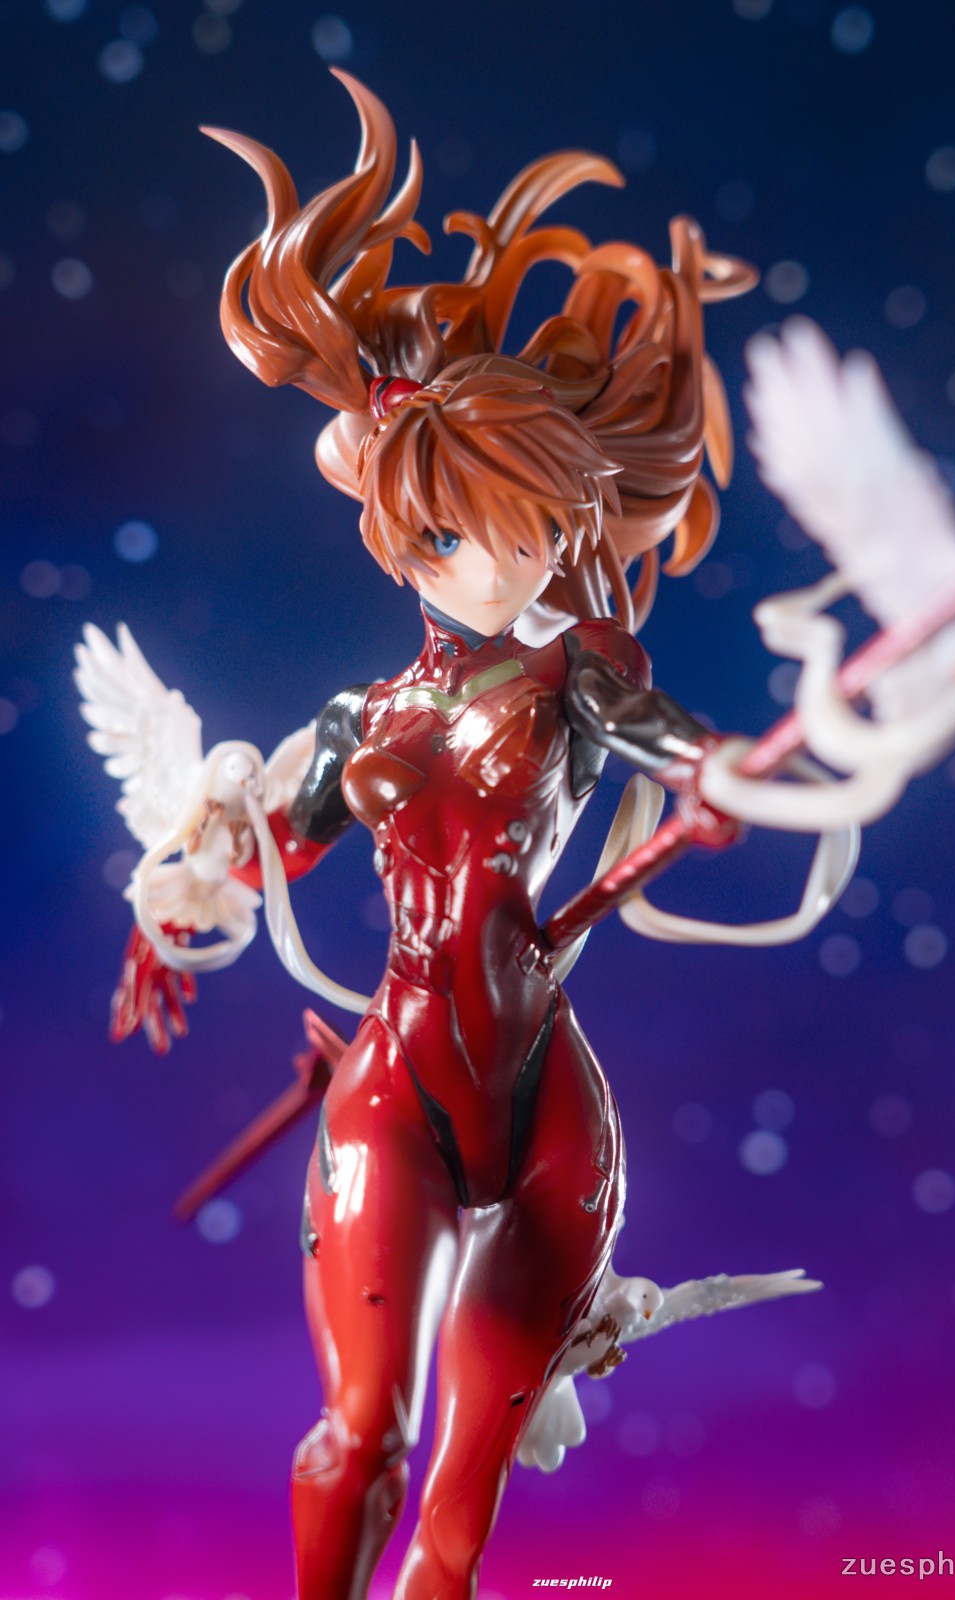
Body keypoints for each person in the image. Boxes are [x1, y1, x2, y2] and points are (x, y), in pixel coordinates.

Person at [110, 69, 754, 1600]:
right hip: (395, 1091)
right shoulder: (360, 723)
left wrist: (739, 781)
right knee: (361, 1439)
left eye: (535, 525)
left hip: (548, 1108)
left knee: (459, 1516)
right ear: (405, 532)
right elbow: (251, 868)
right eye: (471, 530)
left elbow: (692, 752)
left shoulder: (582, 668)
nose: (510, 561)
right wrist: (180, 894)